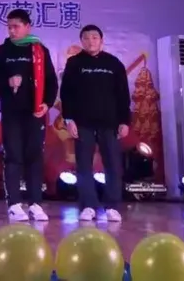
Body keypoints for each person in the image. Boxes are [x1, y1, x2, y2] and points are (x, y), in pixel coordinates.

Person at [0, 8, 58, 222]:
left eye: (16, 26)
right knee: (13, 156)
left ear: (28, 27)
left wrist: (47, 104)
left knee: (35, 157)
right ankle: (14, 204)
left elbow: (51, 81)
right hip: (11, 113)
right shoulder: (2, 51)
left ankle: (36, 203)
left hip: (35, 113)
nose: (12, 31)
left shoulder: (39, 50)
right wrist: (7, 82)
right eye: (9, 27)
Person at [60, 24, 130, 223]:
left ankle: (112, 206)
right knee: (83, 165)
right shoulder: (74, 63)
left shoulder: (113, 63)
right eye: (86, 38)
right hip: (83, 123)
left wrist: (124, 121)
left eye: (94, 38)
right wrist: (69, 119)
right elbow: (66, 94)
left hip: (110, 123)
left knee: (113, 165)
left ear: (101, 40)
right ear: (81, 41)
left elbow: (123, 95)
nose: (90, 41)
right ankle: (88, 205)